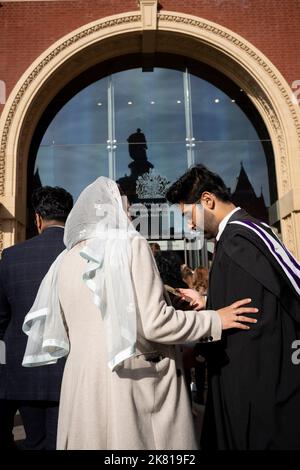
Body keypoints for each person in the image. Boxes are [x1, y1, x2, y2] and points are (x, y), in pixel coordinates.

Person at [21, 177, 257, 450]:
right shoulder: (130, 244)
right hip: (131, 385)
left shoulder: (65, 260)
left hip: (82, 386)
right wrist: (215, 319)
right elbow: (155, 323)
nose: (131, 211)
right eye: (127, 205)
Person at [166, 164, 300, 450]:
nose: (189, 226)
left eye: (188, 216)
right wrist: (207, 302)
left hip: (256, 389)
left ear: (207, 201)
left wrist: (202, 347)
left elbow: (249, 319)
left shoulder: (237, 241)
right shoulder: (250, 230)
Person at [0, 186, 73, 450]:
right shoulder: (80, 255)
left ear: (38, 219)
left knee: (34, 442)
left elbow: (1, 317)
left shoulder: (11, 257)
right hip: (69, 367)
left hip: (23, 368)